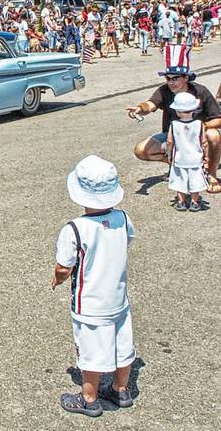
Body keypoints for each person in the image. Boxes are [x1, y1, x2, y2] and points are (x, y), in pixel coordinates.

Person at [53, 155, 136, 417]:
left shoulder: (75, 229)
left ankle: (89, 398)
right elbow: (127, 241)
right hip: (118, 298)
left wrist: (58, 277)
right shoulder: (123, 218)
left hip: (89, 303)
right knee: (123, 346)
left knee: (90, 351)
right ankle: (121, 389)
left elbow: (64, 267)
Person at [127, 45, 221, 193]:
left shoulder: (200, 91)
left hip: (197, 136)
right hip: (173, 135)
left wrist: (202, 126)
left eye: (175, 78)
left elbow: (218, 119)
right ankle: (176, 165)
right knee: (141, 150)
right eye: (168, 78)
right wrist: (140, 108)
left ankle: (211, 173)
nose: (171, 82)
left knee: (214, 135)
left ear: (186, 77)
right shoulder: (164, 90)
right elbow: (151, 104)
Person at [165, 92, 208, 212]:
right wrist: (206, 156)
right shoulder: (199, 124)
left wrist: (169, 154)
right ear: (194, 109)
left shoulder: (174, 124)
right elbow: (204, 142)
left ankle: (181, 202)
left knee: (180, 180)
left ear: (177, 111)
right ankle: (194, 202)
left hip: (180, 157)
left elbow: (169, 142)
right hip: (196, 158)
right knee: (195, 180)